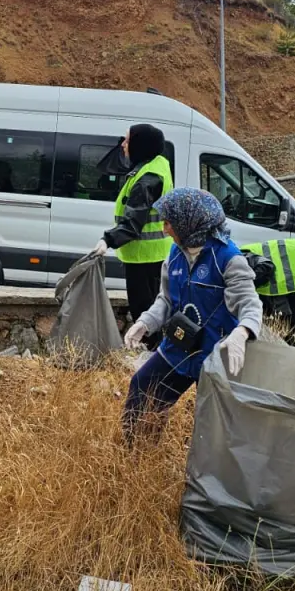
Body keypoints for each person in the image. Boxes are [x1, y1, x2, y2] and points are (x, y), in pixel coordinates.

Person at [120, 188, 262, 444]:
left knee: (214, 425)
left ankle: (205, 479)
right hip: (178, 347)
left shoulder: (228, 258)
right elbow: (165, 299)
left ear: (189, 222)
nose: (164, 229)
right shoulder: (175, 254)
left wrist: (242, 333)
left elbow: (250, 303)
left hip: (214, 355)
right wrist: (145, 322)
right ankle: (136, 456)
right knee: (143, 390)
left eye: (169, 222)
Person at [93, 124, 173, 344]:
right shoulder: (156, 165)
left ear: (141, 145)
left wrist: (107, 240)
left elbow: (133, 222)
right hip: (151, 256)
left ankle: (150, 359)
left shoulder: (148, 179)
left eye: (128, 141)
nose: (123, 145)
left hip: (144, 258)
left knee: (145, 313)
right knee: (153, 310)